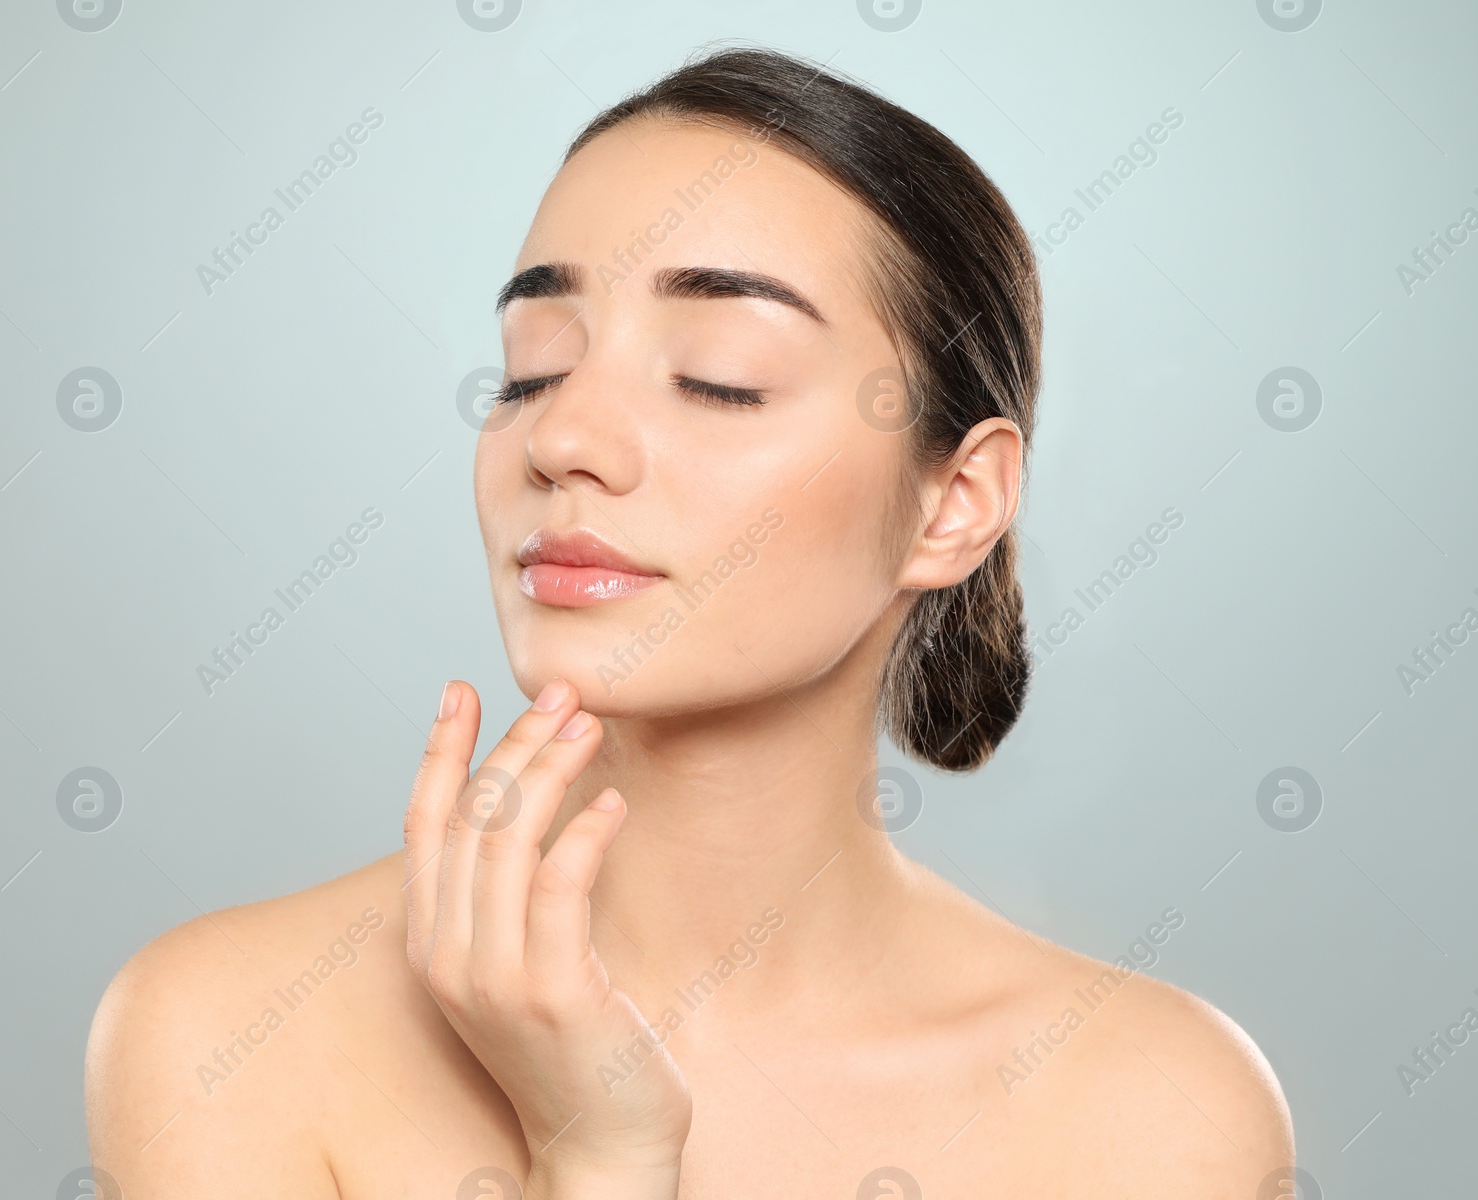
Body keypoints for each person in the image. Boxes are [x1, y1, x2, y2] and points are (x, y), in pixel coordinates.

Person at [85, 45, 1292, 1198]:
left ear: (953, 503)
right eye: (532, 368)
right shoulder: (226, 1030)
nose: (561, 442)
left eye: (720, 376)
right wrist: (600, 1160)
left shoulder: (1151, 1109)